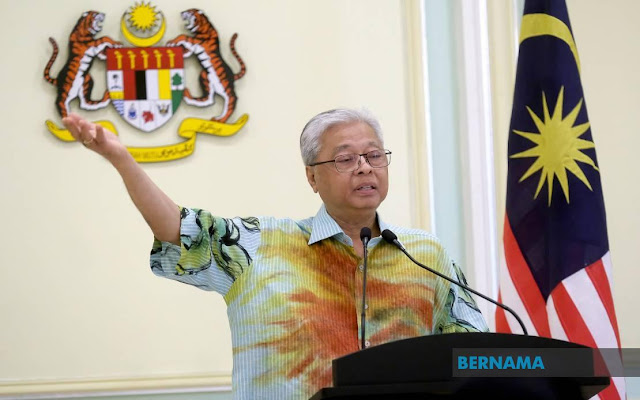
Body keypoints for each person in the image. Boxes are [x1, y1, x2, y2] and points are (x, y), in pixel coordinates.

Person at [62, 108, 488, 400]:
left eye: (374, 155)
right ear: (312, 177)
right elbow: (177, 229)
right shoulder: (259, 243)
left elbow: (475, 353)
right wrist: (121, 159)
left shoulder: (423, 253)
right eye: (345, 158)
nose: (364, 167)